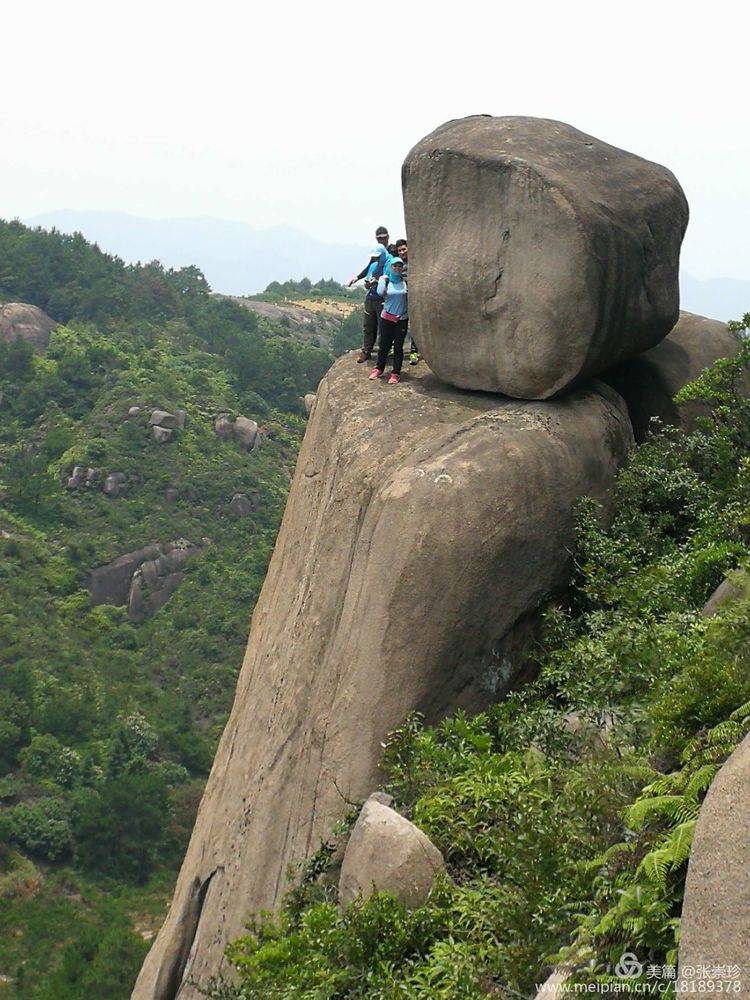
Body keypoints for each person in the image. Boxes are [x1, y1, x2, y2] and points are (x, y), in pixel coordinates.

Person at [347, 226, 389, 363]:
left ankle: (384, 352)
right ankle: (367, 350)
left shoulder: (390, 261)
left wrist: (378, 281)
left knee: (384, 327)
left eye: (383, 238)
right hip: (371, 297)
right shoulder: (374, 263)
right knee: (369, 325)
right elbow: (368, 273)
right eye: (379, 238)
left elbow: (392, 278)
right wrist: (360, 280)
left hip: (383, 299)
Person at [368, 256, 408, 384]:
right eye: (394, 266)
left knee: (398, 347)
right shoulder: (386, 281)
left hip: (401, 319)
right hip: (387, 318)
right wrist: (381, 280)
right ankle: (379, 368)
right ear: (390, 267)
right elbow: (380, 292)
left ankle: (395, 372)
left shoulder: (405, 282)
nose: (397, 268)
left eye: (399, 266)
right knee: (384, 345)